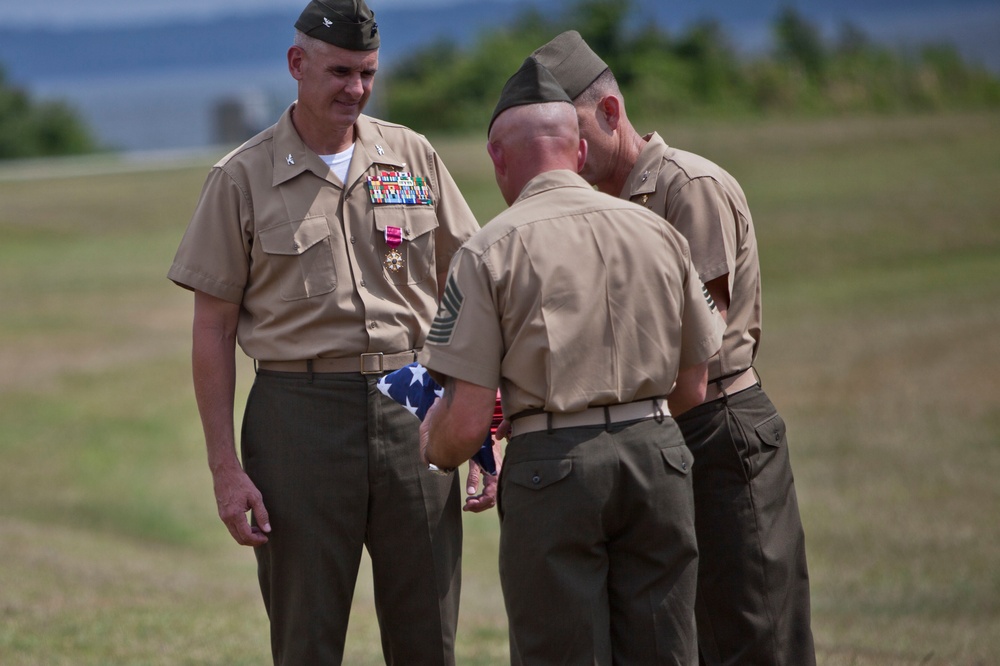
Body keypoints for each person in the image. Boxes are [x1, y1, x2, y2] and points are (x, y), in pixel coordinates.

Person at [166, 1, 488, 663]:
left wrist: (473, 418)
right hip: (298, 417)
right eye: (340, 71)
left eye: (367, 72)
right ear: (296, 65)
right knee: (306, 636)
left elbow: (473, 281)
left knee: (429, 631)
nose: (356, 89)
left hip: (415, 402)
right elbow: (212, 327)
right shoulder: (241, 177)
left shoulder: (410, 154)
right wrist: (225, 469)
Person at [417, 56, 724, 665]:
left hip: (553, 471)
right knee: (666, 648)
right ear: (579, 150)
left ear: (498, 160)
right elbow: (694, 383)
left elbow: (469, 417)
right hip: (657, 456)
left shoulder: (488, 251)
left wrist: (433, 445)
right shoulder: (657, 231)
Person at [532, 30, 816, 666]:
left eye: (576, 131)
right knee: (679, 631)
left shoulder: (687, 187)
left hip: (718, 426)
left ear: (610, 112)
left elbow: (700, 340)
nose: (569, 154)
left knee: (752, 625)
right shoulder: (601, 205)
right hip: (658, 433)